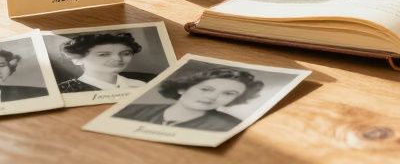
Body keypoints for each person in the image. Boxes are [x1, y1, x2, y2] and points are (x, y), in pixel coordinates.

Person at [113, 67, 262, 132]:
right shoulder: (130, 111)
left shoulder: (230, 126)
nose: (213, 97)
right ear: (182, 87)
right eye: (206, 89)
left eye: (228, 93)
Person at [56, 32, 156, 92]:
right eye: (103, 54)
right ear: (77, 60)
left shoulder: (141, 85)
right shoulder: (64, 90)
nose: (118, 59)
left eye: (125, 53)